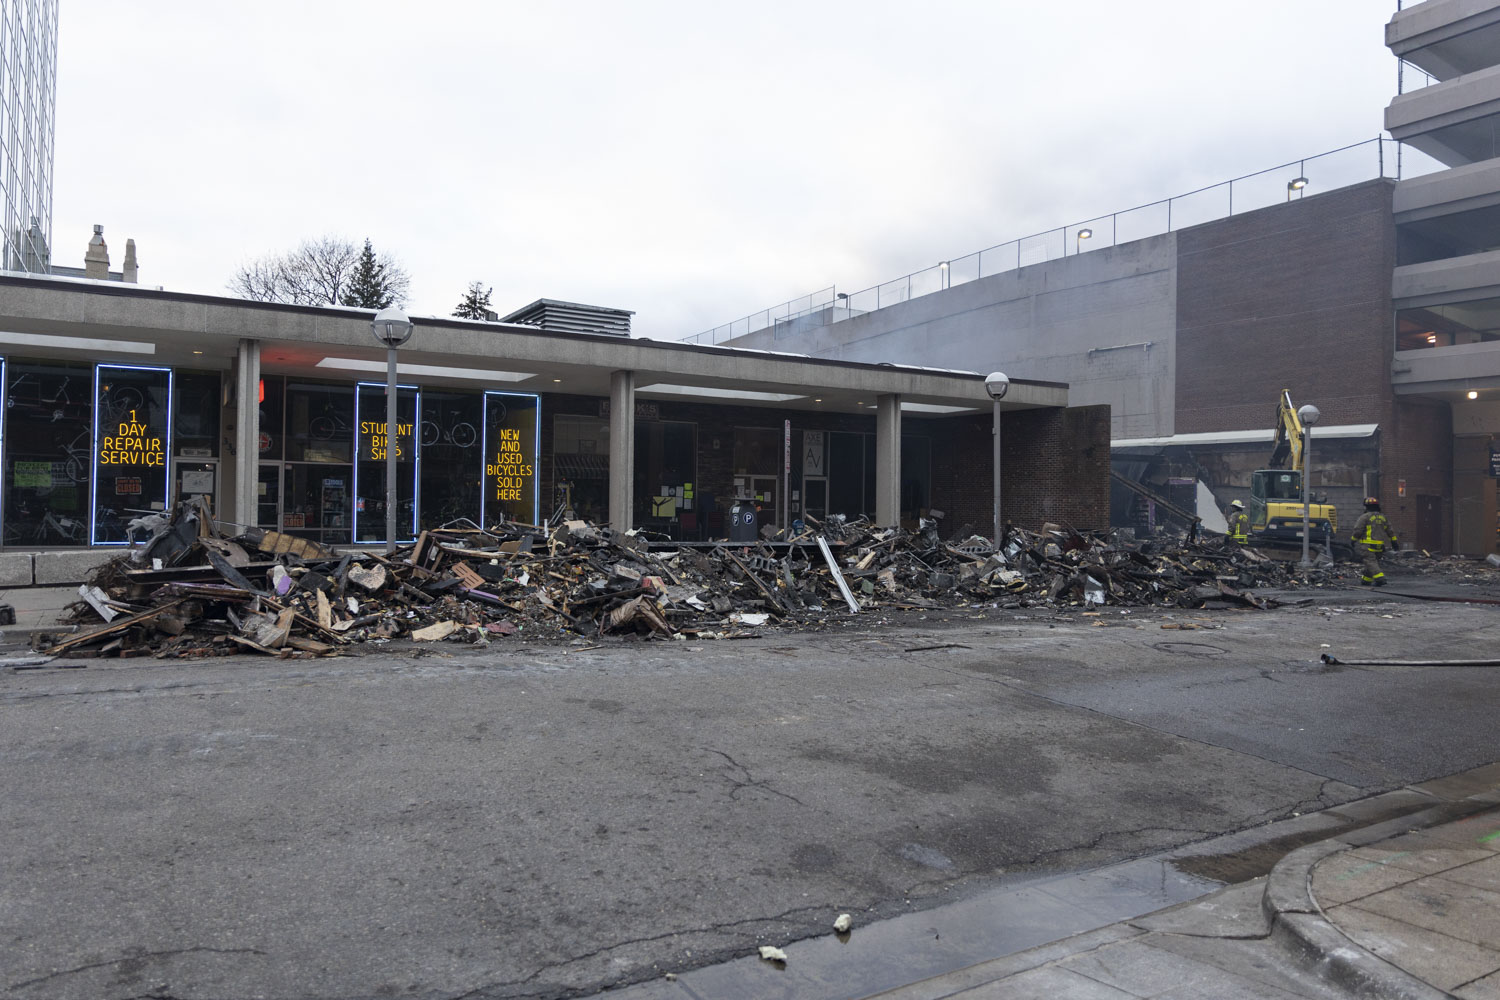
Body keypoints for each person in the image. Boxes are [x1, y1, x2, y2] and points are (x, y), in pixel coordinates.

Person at [1350, 496, 1399, 586]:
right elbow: (1390, 531)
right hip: (1380, 546)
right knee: (1372, 562)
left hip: (1367, 546)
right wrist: (1394, 542)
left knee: (1370, 562)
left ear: (1366, 507)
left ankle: (1380, 578)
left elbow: (1358, 530)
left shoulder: (1364, 517)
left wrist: (1353, 540)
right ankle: (1366, 580)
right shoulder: (1383, 518)